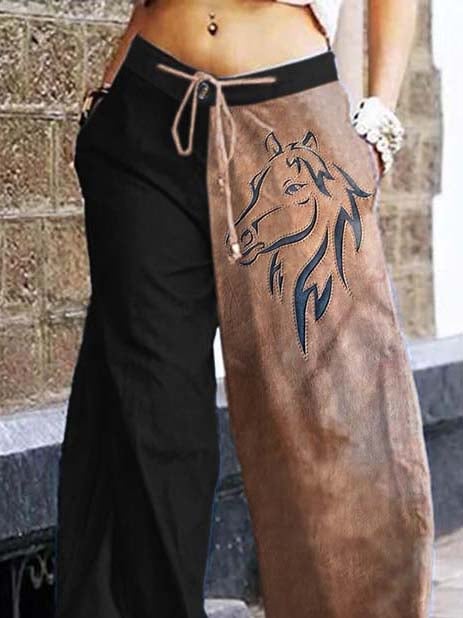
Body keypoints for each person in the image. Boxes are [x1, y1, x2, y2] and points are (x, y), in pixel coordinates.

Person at [54, 1, 435, 617]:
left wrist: (378, 124)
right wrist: (105, 102)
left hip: (291, 125)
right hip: (149, 110)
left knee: (336, 412)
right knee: (150, 413)